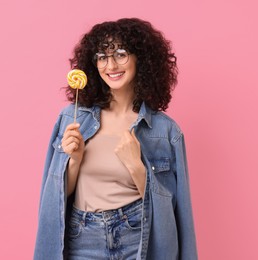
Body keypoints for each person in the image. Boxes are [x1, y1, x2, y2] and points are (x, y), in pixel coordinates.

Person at [34, 18, 197, 260]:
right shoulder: (72, 117)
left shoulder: (165, 131)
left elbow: (174, 211)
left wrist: (137, 168)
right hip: (83, 238)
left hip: (137, 239)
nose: (111, 65)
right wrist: (75, 160)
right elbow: (55, 197)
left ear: (141, 58)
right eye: (102, 56)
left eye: (121, 54)